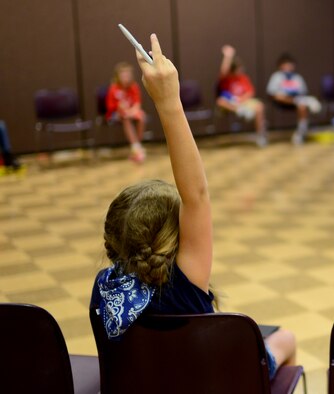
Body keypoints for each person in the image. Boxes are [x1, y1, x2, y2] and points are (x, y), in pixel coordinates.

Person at [90, 34, 296, 378]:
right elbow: (196, 195)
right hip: (206, 380)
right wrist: (169, 101)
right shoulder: (184, 285)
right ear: (178, 236)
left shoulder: (104, 287)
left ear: (112, 239)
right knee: (284, 338)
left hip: (141, 383)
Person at [216, 45, 267, 147]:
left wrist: (241, 100)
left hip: (243, 102)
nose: (241, 71)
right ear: (233, 70)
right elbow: (223, 70)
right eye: (239, 69)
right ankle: (241, 111)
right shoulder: (226, 78)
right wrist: (228, 56)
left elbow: (250, 92)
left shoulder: (243, 78)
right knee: (220, 101)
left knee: (260, 106)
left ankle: (260, 136)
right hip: (230, 102)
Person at [266, 53, 322, 145]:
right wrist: (288, 98)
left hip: (297, 101)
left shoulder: (297, 78)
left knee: (302, 106)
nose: (288, 66)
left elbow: (303, 92)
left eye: (290, 64)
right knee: (281, 96)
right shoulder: (276, 77)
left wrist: (296, 99)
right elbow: (272, 94)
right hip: (281, 102)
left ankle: (300, 133)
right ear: (280, 65)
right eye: (285, 64)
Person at [106, 62, 147, 163]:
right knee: (125, 118)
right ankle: (137, 148)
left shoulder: (134, 87)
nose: (126, 77)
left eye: (127, 74)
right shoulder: (114, 89)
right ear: (118, 76)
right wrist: (124, 111)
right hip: (115, 114)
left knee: (141, 116)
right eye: (123, 75)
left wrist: (132, 111)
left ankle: (136, 147)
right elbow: (111, 107)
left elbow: (137, 104)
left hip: (130, 111)